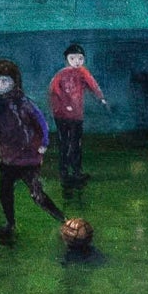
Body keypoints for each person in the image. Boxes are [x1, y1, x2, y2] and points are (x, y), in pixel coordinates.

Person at [0, 57, 63, 241]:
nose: (0, 85)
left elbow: (41, 122)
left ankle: (63, 219)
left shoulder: (24, 103)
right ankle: (10, 224)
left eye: (5, 81)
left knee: (37, 194)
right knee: (4, 193)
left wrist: (44, 142)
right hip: (8, 159)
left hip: (28, 159)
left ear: (14, 82)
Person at [46, 42, 105, 190]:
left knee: (76, 143)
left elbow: (92, 84)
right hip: (61, 114)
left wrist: (100, 97)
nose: (77, 61)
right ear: (67, 59)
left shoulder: (83, 72)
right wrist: (65, 103)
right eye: (73, 58)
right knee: (64, 143)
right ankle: (64, 172)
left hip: (77, 115)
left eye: (80, 58)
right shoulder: (61, 74)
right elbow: (54, 90)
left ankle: (77, 171)